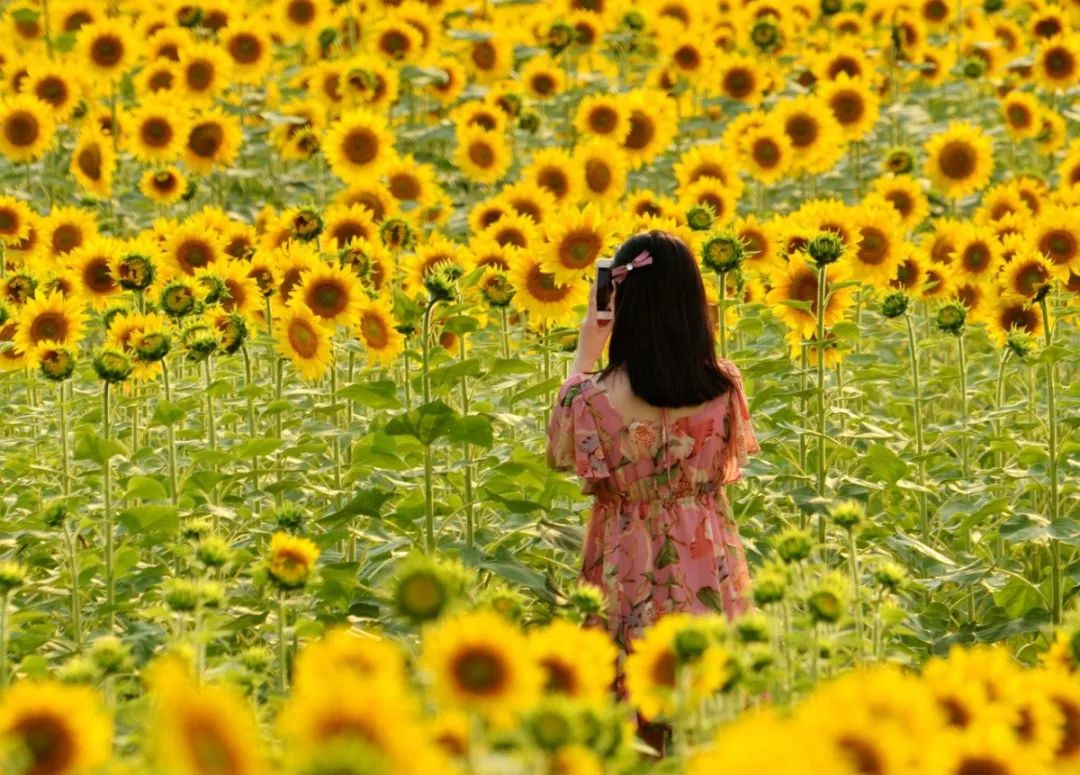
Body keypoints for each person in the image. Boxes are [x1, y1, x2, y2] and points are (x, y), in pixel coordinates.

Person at [545, 230, 759, 747]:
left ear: (622, 303)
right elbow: (730, 462)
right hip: (706, 558)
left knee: (628, 710)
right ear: (691, 304)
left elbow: (558, 455)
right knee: (710, 703)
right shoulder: (723, 386)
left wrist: (583, 356)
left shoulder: (593, 397)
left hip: (627, 563)